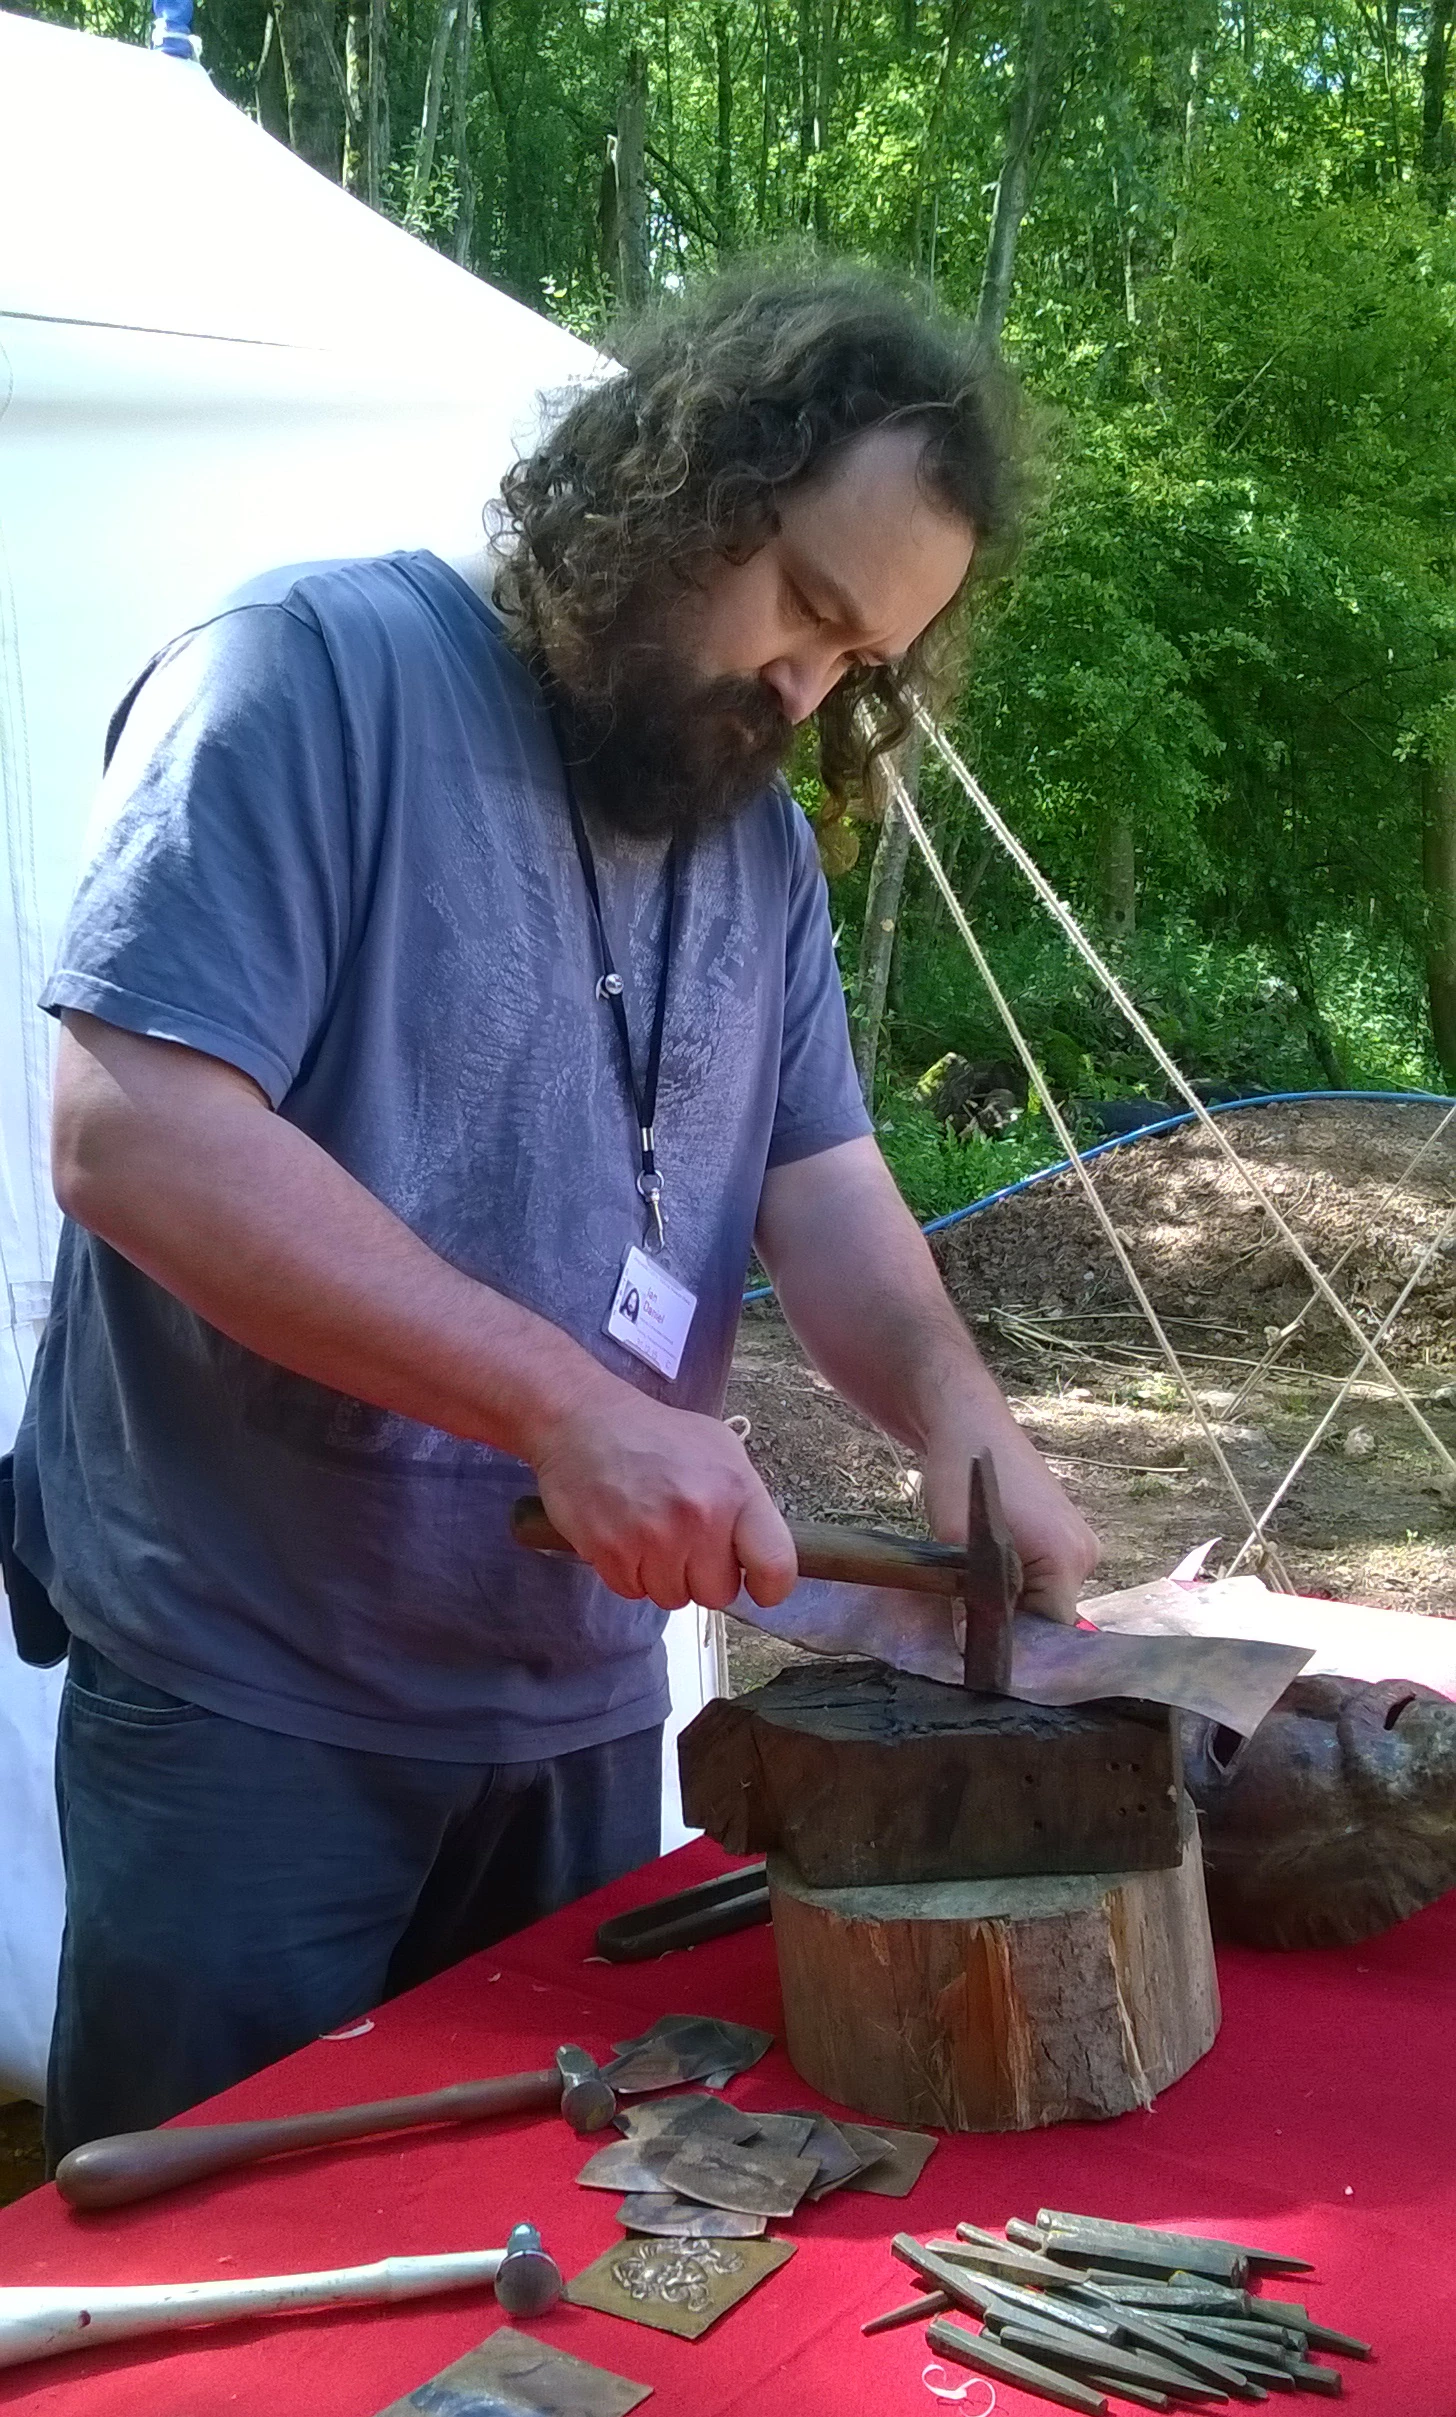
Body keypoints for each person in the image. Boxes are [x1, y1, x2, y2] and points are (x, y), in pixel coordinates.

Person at [11, 266, 1098, 2162]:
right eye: (805, 604)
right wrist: (566, 1405)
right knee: (220, 2271)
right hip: (252, 1702)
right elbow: (135, 1134)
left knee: (551, 2247)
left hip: (577, 1711)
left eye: (862, 659)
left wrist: (962, 1418)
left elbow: (824, 1185)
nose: (808, 687)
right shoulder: (308, 677)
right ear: (676, 489)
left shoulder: (756, 846)